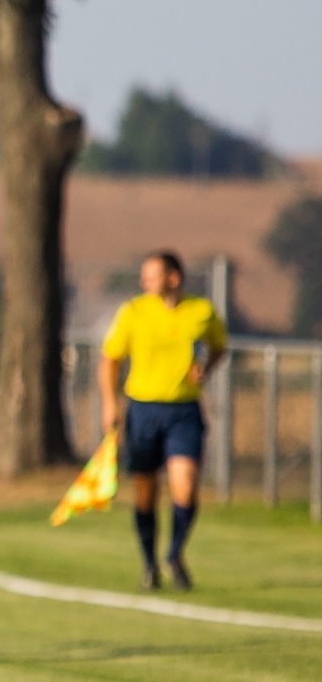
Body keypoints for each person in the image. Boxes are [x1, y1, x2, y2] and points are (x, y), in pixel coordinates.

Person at [99, 251, 226, 591]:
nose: (145, 282)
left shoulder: (201, 311)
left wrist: (206, 368)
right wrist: (110, 403)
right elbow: (110, 359)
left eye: (151, 275)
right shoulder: (134, 312)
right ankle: (149, 563)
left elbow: (218, 346)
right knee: (145, 492)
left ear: (173, 277)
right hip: (143, 410)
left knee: (185, 486)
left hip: (184, 410)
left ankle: (174, 554)